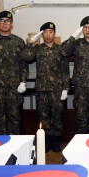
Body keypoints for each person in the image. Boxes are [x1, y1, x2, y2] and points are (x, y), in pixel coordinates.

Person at [24, 22, 70, 152]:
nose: (48, 35)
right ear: (42, 34)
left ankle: (55, 142)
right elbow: (25, 57)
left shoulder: (60, 49)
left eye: (51, 32)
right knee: (43, 116)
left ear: (54, 33)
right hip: (42, 89)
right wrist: (30, 42)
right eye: (45, 32)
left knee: (56, 116)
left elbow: (65, 70)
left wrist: (65, 88)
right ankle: (46, 141)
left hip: (57, 89)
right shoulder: (37, 49)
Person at [61, 16, 89, 134]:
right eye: (85, 27)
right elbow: (63, 51)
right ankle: (81, 141)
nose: (87, 30)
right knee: (81, 117)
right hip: (80, 87)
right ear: (81, 29)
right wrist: (73, 36)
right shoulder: (77, 43)